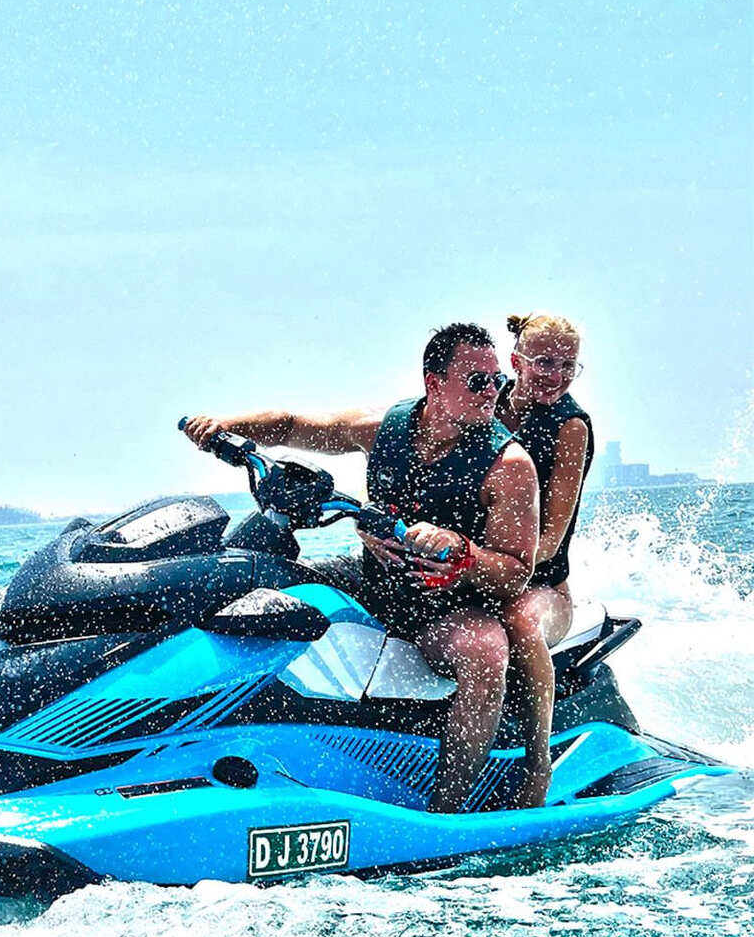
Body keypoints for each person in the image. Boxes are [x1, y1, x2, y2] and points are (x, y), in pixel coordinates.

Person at [182, 322, 539, 813]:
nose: (491, 392)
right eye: (478, 381)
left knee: (486, 650)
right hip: (373, 583)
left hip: (447, 608)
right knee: (262, 582)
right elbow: (293, 426)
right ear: (435, 384)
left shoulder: (509, 465)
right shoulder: (383, 428)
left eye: (497, 381)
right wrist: (225, 424)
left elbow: (517, 569)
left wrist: (462, 551)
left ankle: (449, 808)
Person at [495, 312, 594, 808]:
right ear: (516, 362)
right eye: (544, 362)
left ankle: (537, 765)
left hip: (542, 588)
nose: (556, 375)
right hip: (482, 574)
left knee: (519, 620)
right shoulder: (486, 402)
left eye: (567, 366)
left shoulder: (569, 427)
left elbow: (551, 541)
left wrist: (478, 562)